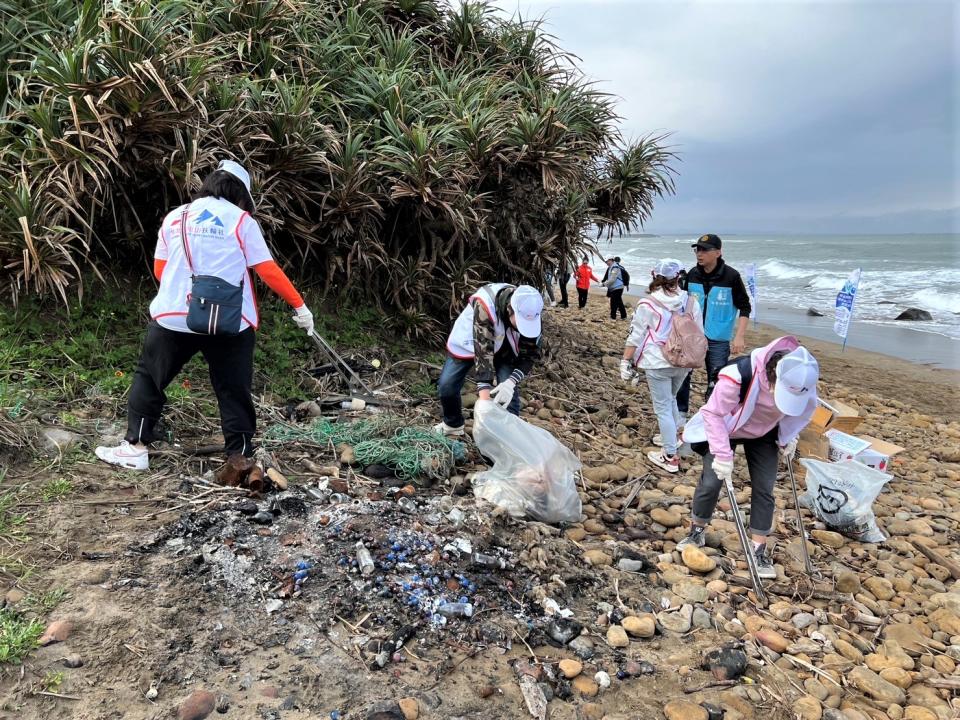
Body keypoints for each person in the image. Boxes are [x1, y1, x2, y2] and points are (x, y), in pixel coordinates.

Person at [94, 160, 313, 471]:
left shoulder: (175, 217)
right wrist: (299, 306)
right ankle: (240, 456)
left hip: (175, 314)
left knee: (151, 377)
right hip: (230, 320)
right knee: (233, 387)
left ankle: (136, 448)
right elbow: (267, 270)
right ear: (241, 194)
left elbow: (160, 269)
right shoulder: (242, 221)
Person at [677, 337, 819, 579]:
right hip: (727, 427)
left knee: (765, 487)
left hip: (764, 433)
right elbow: (713, 414)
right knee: (712, 480)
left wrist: (787, 438)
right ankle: (697, 530)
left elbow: (801, 413)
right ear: (773, 376)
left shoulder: (803, 381)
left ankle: (758, 549)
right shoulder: (738, 375)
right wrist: (722, 455)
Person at [619, 259, 702, 473]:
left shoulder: (648, 303)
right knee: (671, 400)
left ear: (655, 275)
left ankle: (670, 456)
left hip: (657, 362)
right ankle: (674, 439)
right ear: (679, 276)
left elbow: (636, 335)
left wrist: (625, 361)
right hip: (684, 361)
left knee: (663, 407)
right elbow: (698, 332)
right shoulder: (692, 302)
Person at [435, 284, 543, 436]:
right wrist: (485, 404)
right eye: (519, 323)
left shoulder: (531, 311)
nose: (522, 328)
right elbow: (483, 352)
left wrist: (511, 382)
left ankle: (511, 436)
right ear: (510, 309)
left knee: (508, 393)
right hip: (471, 342)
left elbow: (530, 355)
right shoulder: (485, 305)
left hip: (505, 345)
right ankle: (453, 425)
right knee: (447, 385)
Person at [675, 234, 751, 417]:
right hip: (692, 336)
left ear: (718, 252)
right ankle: (681, 415)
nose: (699, 254)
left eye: (704, 250)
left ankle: (713, 417)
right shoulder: (692, 274)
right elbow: (681, 302)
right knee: (684, 375)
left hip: (719, 338)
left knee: (717, 379)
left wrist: (739, 336)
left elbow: (745, 307)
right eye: (697, 249)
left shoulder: (731, 276)